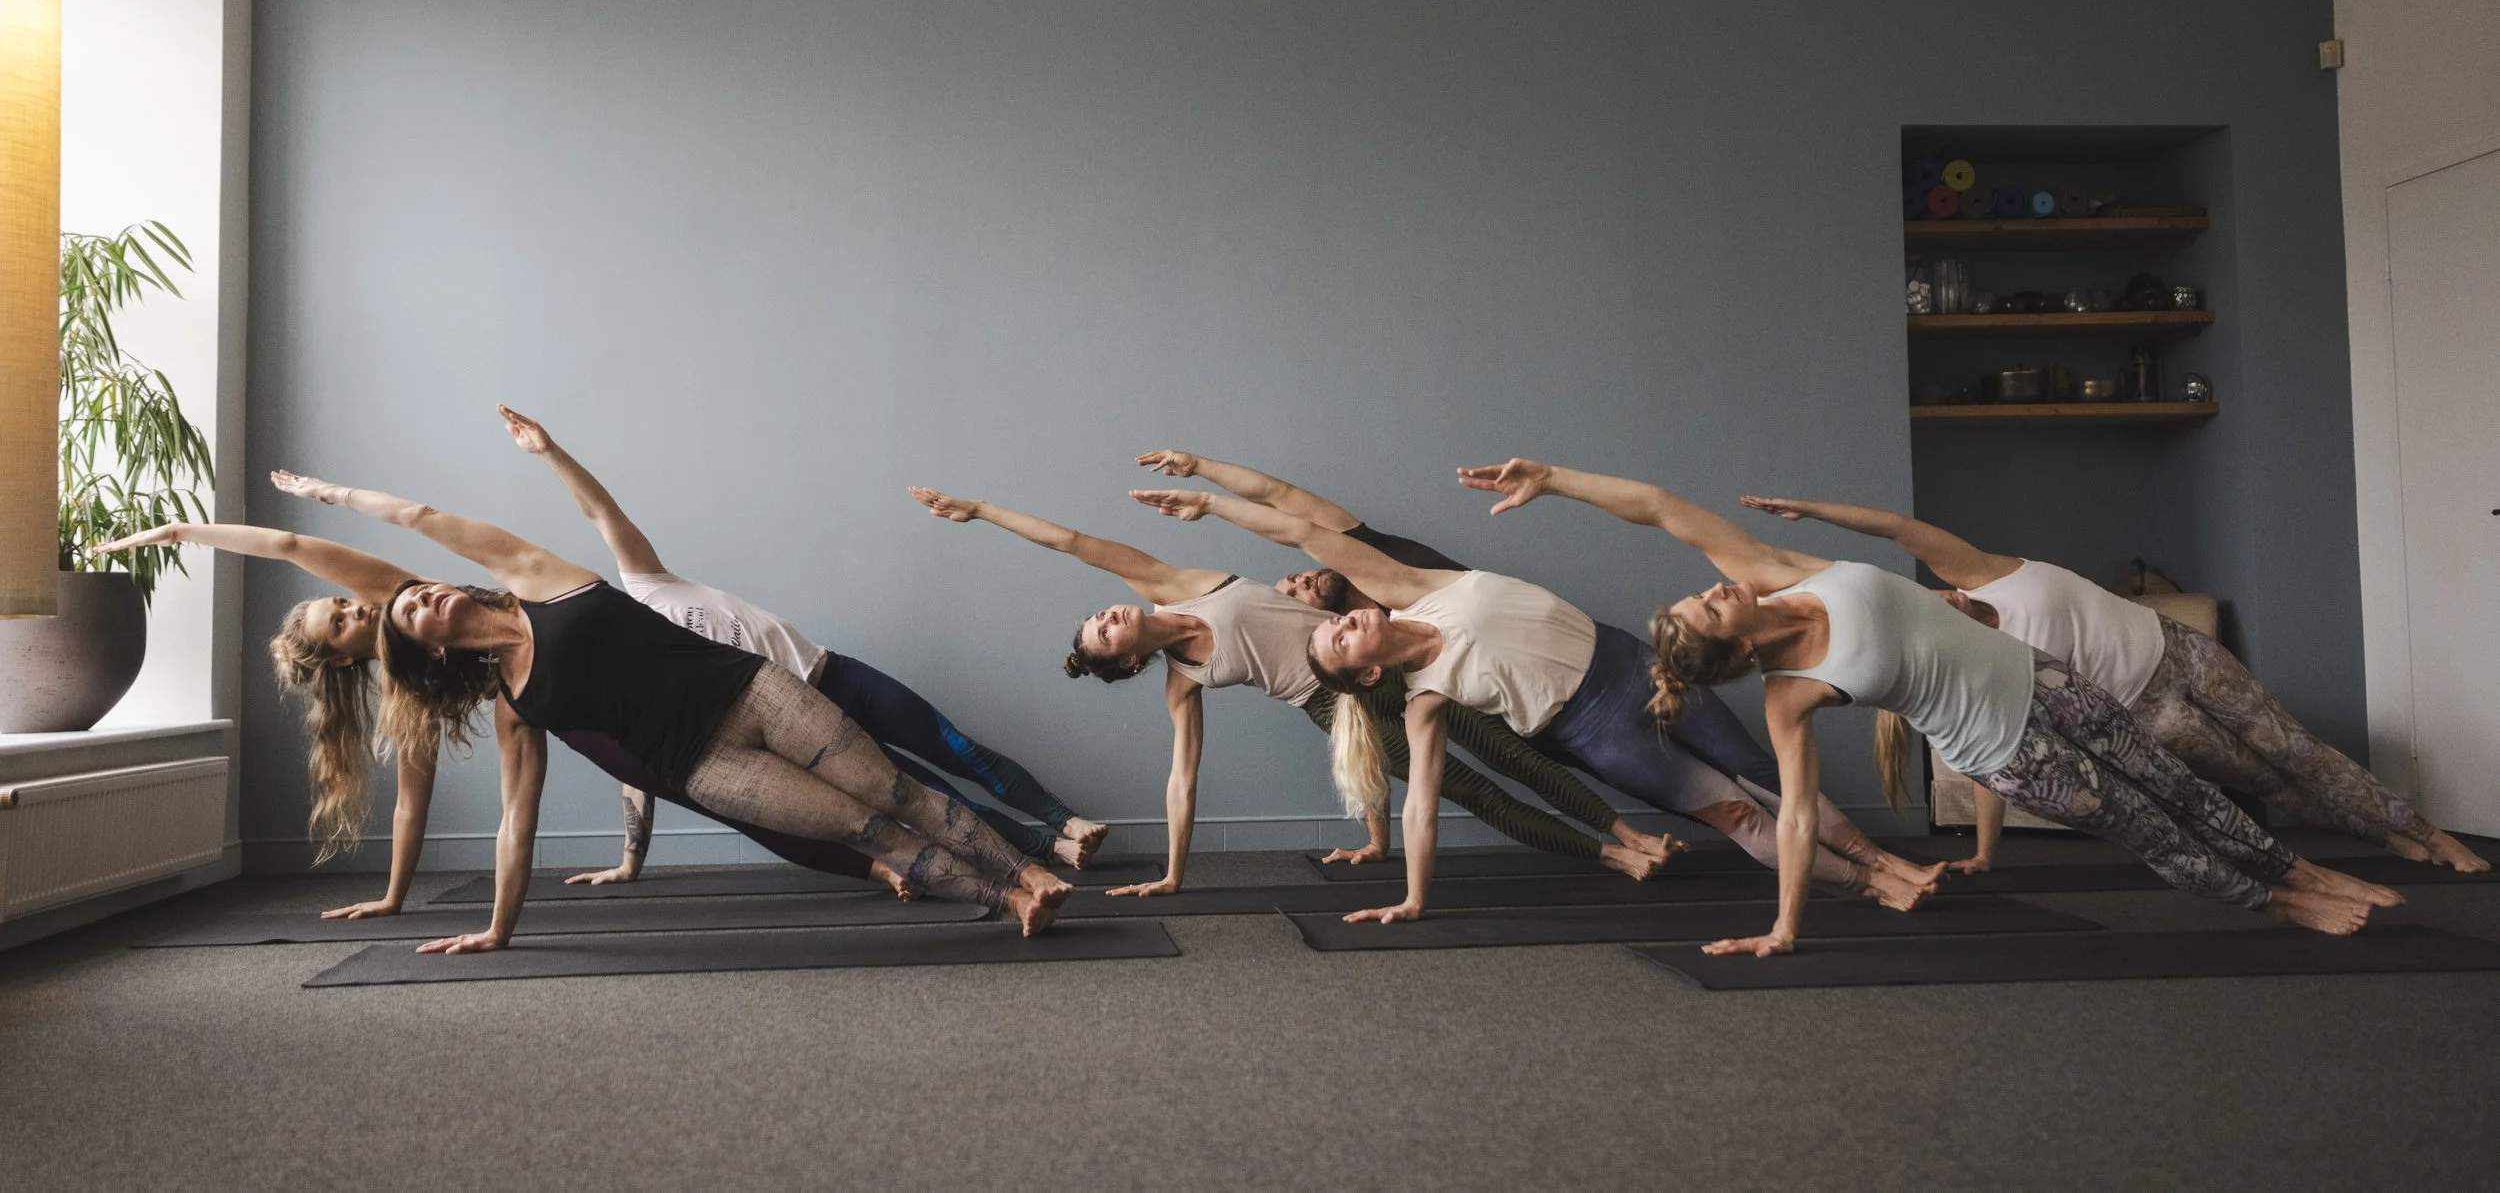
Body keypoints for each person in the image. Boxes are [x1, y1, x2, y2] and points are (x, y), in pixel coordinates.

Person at [1450, 457, 2397, 955]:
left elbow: (1658, 504)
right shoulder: (1790, 694)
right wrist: (1784, 925)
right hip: (2007, 749)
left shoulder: (1774, 571)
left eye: (1704, 590)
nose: (1710, 586)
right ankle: (2278, 898)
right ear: (1732, 647)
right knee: (2152, 826)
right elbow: (1793, 822)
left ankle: (2303, 868)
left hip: (2047, 678)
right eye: (1707, 604)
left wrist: (1557, 478)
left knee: (2179, 784)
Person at [109, 475, 1070, 949]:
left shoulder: (508, 581)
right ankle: (1010, 892)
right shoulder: (472, 692)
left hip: (737, 688)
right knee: (860, 828)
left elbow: (334, 534)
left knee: (892, 784)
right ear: (409, 649)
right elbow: (503, 812)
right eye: (354, 614)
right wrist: (490, 925)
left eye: (377, 598)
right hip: (679, 753)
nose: (375, 603)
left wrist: (199, 524)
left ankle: (1027, 867)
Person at [1127, 486, 1943, 924]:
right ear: (1367, 677)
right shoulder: (1421, 697)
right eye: (1341, 642)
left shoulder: (1420, 588)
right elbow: (1422, 808)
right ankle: (1873, 886)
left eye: (1337, 623)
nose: (1346, 621)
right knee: (1738, 813)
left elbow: (1307, 536)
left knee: (1766, 769)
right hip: (1594, 731)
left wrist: (1212, 502)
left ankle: (1888, 861)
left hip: (1632, 661)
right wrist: (1413, 895)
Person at [908, 481, 1678, 893]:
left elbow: (1074, 544)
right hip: (1327, 702)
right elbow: (1182, 778)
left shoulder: (1179, 582)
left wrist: (981, 510)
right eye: (1104, 634)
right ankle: (1609, 857)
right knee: (1470, 791)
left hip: (1376, 655)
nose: (1108, 616)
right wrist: (1174, 872)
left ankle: (1630, 829)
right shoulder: (1183, 679)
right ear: (1128, 662)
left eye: (1101, 615)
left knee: (1512, 751)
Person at [1735, 493, 2489, 876]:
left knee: (2295, 748)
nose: (1939, 604)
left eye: (1935, 596)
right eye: (1930, 611)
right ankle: (2383, 832)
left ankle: (2426, 832)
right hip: (2148, 716)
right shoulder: (1979, 660)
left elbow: (1897, 527)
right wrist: (1987, 854)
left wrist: (1812, 508)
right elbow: (1992, 761)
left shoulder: (1984, 569)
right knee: (2277, 785)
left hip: (2181, 651)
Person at [499, 406, 1105, 878]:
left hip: (831, 675)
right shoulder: (629, 672)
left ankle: (1068, 820)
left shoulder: (647, 586)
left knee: (959, 749)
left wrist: (550, 452)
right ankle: (1048, 846)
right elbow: (643, 759)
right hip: (800, 732)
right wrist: (633, 858)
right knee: (928, 796)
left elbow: (602, 513)